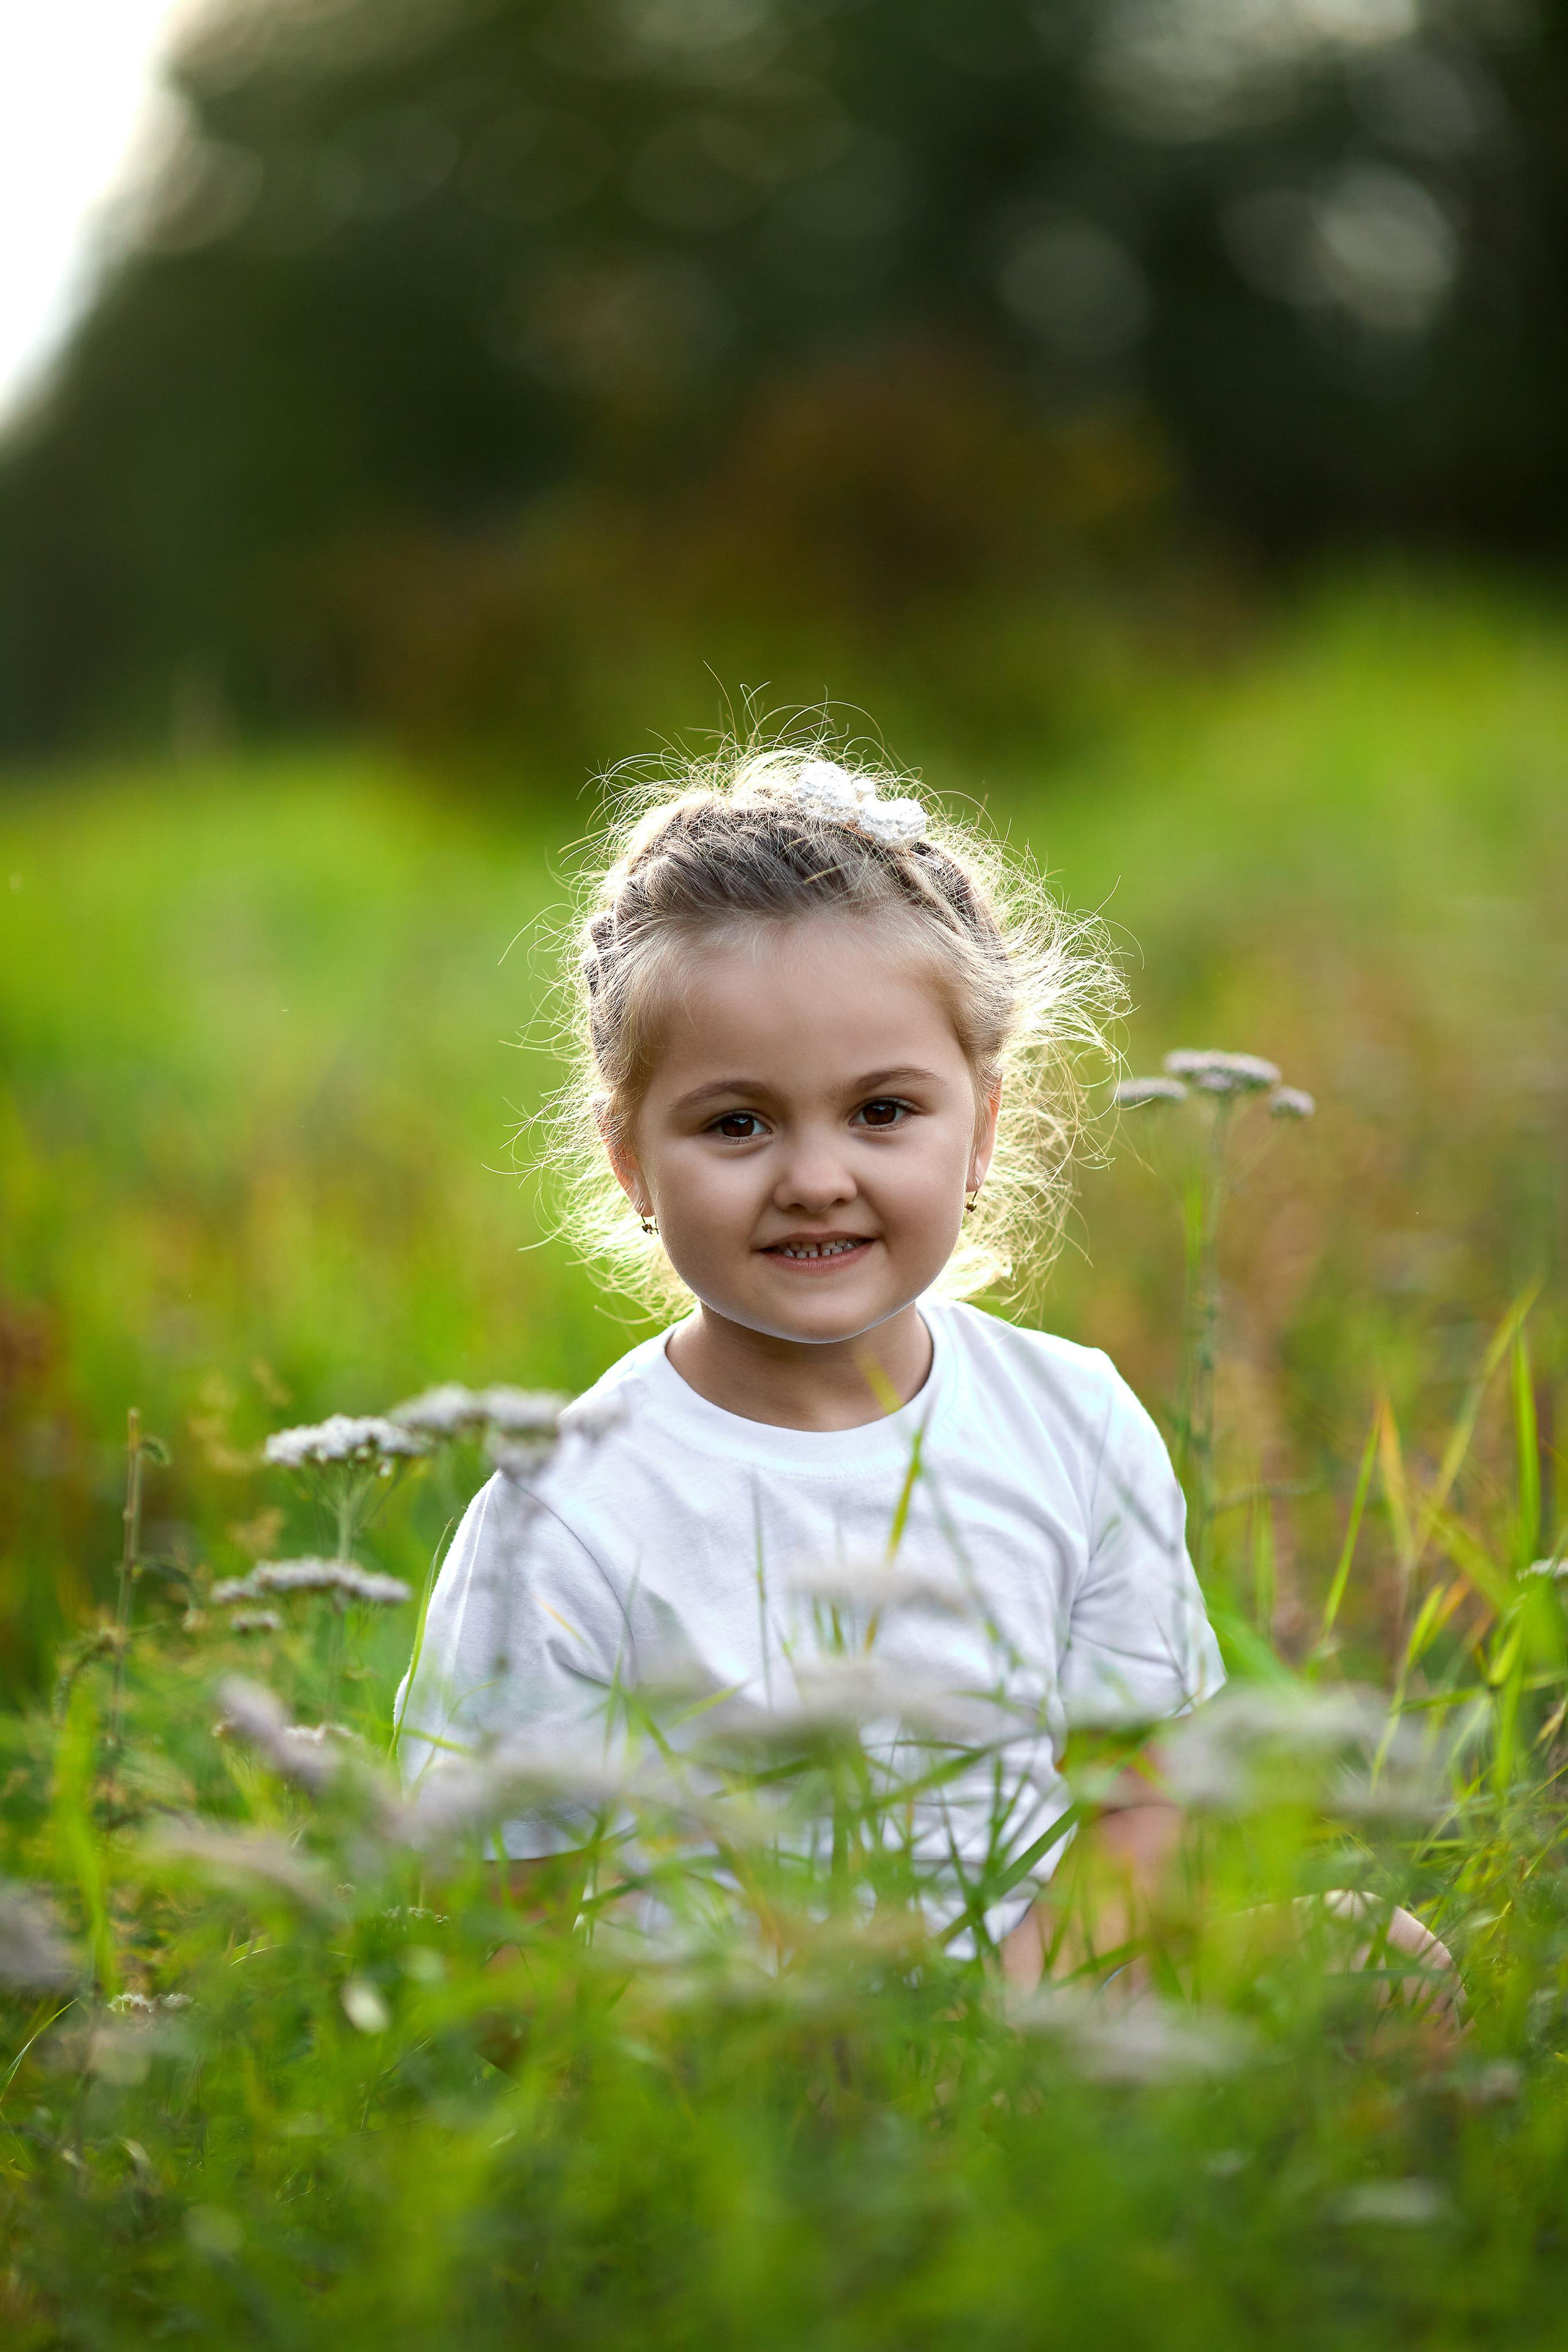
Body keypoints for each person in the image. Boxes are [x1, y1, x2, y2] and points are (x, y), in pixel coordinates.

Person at [393, 744, 1431, 1997]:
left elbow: (1136, 1805)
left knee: (1380, 1958)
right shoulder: (567, 1509)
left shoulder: (1072, 1421)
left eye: (881, 1111)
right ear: (630, 1162)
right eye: (736, 1124)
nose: (815, 1178)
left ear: (980, 1128)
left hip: (1043, 2000)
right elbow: (502, 1928)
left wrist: (995, 2035)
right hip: (720, 2055)